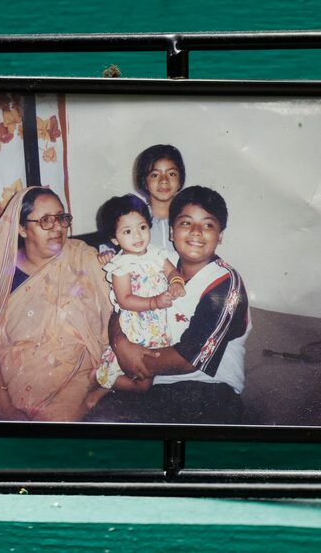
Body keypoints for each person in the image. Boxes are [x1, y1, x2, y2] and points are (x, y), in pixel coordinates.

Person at [85, 186, 251, 425]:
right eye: (186, 223)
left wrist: (132, 360)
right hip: (150, 384)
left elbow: (187, 359)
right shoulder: (155, 262)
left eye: (207, 225)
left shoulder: (225, 284)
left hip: (208, 390)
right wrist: (121, 344)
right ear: (172, 232)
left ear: (220, 235)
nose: (196, 232)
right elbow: (122, 306)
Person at [0, 187, 112, 422]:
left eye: (61, 218)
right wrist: (5, 409)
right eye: (45, 221)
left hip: (71, 377)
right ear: (21, 229)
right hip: (6, 381)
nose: (58, 227)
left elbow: (120, 307)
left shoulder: (82, 258)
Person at [88, 194, 186, 404]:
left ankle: (105, 386)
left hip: (158, 326)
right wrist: (155, 302)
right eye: (127, 231)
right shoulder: (121, 265)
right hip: (136, 327)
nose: (137, 236)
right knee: (142, 383)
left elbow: (172, 272)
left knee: (147, 378)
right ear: (115, 239)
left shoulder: (157, 253)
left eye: (142, 227)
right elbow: (124, 300)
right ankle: (99, 379)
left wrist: (177, 282)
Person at [133, 144, 186, 253]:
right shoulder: (133, 220)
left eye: (171, 174)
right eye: (155, 175)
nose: (164, 180)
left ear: (180, 180)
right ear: (145, 182)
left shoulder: (188, 220)